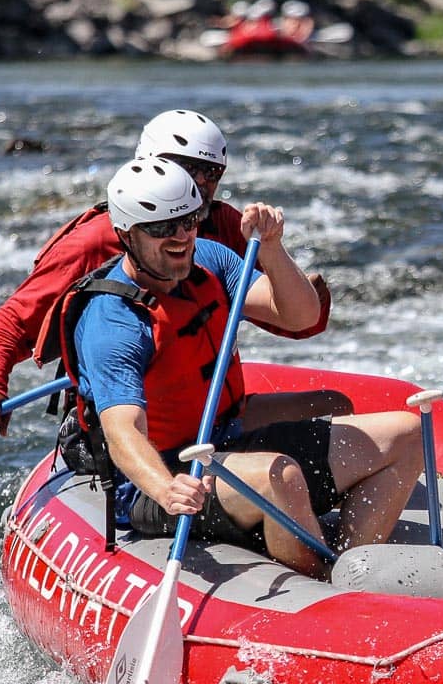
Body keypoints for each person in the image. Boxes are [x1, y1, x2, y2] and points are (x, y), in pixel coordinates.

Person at [55, 159, 422, 578]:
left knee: (405, 435)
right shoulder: (114, 323)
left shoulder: (209, 260)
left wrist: (271, 249)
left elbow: (301, 316)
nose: (179, 238)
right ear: (126, 236)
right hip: (166, 474)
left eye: (188, 221)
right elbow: (124, 434)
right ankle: (321, 588)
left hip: (227, 436)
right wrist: (165, 489)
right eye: (160, 229)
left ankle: (353, 571)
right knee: (279, 476)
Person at [0, 109, 343, 434]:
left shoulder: (225, 227)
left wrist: (278, 255)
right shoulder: (95, 241)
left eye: (212, 172)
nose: (201, 183)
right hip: (126, 413)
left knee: (336, 406)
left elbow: (300, 322)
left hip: (206, 406)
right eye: (189, 168)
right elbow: (17, 317)